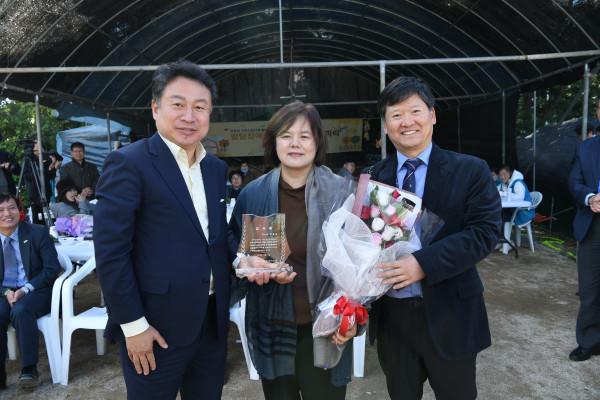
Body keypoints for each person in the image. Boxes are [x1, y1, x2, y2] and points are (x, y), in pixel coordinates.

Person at [94, 60, 231, 399]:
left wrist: (246, 260)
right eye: (178, 105)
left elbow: (215, 238)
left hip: (210, 322)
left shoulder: (215, 168)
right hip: (155, 328)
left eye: (200, 107)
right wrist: (133, 326)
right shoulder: (130, 163)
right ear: (155, 109)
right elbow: (111, 252)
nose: (189, 116)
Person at [367, 76, 501, 400]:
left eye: (415, 111)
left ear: (433, 115)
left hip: (451, 314)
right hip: (394, 321)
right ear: (385, 124)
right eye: (396, 115)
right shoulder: (375, 176)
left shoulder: (470, 170)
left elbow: (484, 232)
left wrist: (422, 264)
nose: (406, 122)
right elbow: (368, 241)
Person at [229, 101, 357, 400]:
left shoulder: (341, 193)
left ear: (318, 142)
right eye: (286, 135)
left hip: (327, 325)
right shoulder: (254, 193)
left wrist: (355, 316)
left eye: (304, 136)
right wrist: (246, 264)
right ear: (274, 142)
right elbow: (234, 246)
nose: (295, 143)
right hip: (273, 325)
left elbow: (359, 261)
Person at [0, 192, 61, 391]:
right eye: (1, 210)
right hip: (5, 291)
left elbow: (51, 269)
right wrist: (6, 291)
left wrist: (26, 289)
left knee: (21, 310)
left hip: (36, 289)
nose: (7, 214)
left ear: (19, 211)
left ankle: (29, 369)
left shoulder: (37, 233)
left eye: (11, 208)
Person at [568, 129, 600, 362]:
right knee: (589, 288)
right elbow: (574, 181)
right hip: (593, 225)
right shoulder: (586, 147)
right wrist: (590, 198)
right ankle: (589, 341)